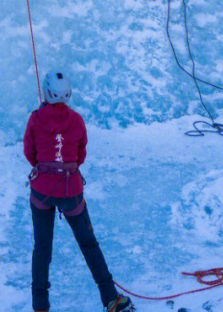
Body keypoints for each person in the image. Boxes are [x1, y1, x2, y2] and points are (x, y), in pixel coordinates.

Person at [24, 71, 132, 312]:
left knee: (42, 249)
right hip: (70, 190)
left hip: (41, 191)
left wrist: (46, 166)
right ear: (68, 94)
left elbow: (29, 154)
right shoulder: (77, 120)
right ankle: (110, 298)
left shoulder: (35, 119)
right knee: (88, 243)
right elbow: (81, 155)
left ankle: (40, 306)